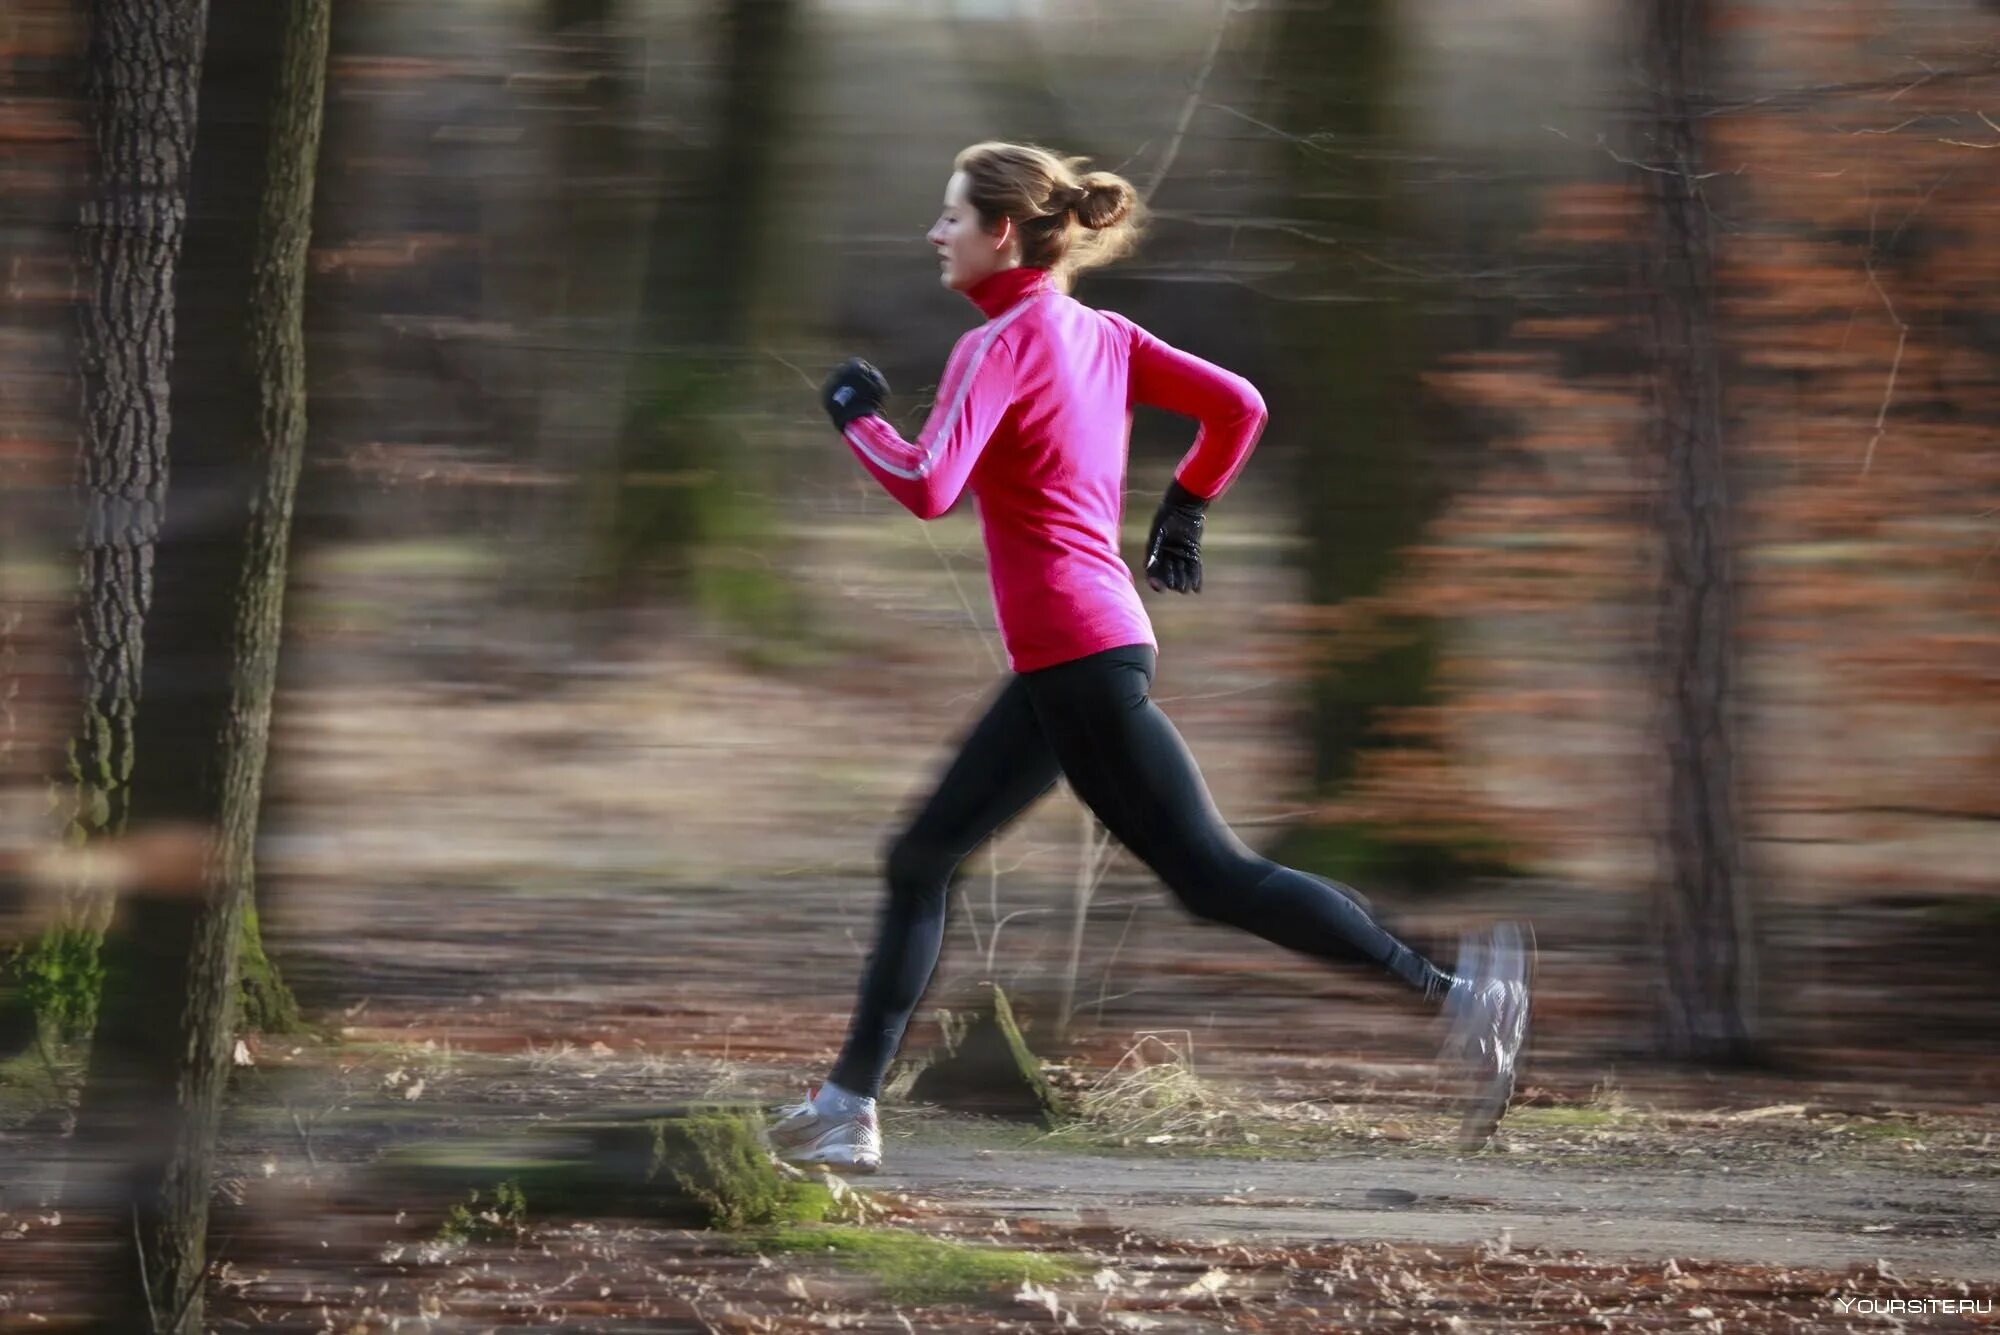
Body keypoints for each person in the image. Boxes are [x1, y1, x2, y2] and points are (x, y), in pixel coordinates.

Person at [773, 142, 1531, 1173]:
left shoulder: (994, 345)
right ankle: (845, 1105)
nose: (933, 233)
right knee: (935, 860)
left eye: (949, 215)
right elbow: (1239, 406)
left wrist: (856, 422)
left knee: (1209, 875)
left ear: (1001, 232)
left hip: (1077, 660)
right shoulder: (1104, 335)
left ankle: (1455, 992)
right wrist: (1186, 507)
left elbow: (928, 485)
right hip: (1085, 655)